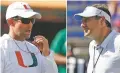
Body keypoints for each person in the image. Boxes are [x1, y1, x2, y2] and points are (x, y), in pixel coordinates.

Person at [0, 2, 58, 73]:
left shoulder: (34, 49)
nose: (30, 25)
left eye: (32, 20)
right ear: (11, 22)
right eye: (26, 20)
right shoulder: (2, 47)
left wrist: (46, 54)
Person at [74, 4, 120, 73]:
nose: (82, 25)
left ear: (102, 21)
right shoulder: (92, 45)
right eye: (82, 20)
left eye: (86, 20)